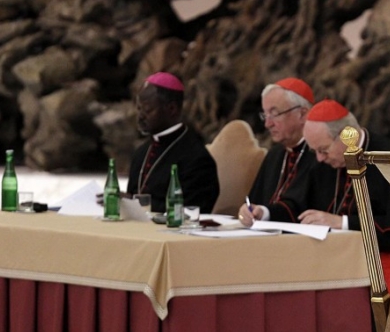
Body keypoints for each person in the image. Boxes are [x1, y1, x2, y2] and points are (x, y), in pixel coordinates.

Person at [299, 99, 390, 252]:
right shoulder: (322, 165)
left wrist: (342, 223)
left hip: (382, 259)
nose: (319, 159)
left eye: (323, 149)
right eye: (314, 151)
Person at [127, 72, 219, 214]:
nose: (140, 116)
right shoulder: (141, 153)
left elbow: (191, 211)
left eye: (147, 109)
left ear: (172, 109)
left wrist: (133, 202)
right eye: (139, 108)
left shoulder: (196, 158)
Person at [238, 78, 317, 225]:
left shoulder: (319, 155)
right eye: (265, 115)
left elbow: (299, 210)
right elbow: (255, 202)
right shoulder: (274, 155)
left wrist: (265, 213)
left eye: (275, 114)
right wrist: (248, 210)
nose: (268, 124)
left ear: (302, 114)